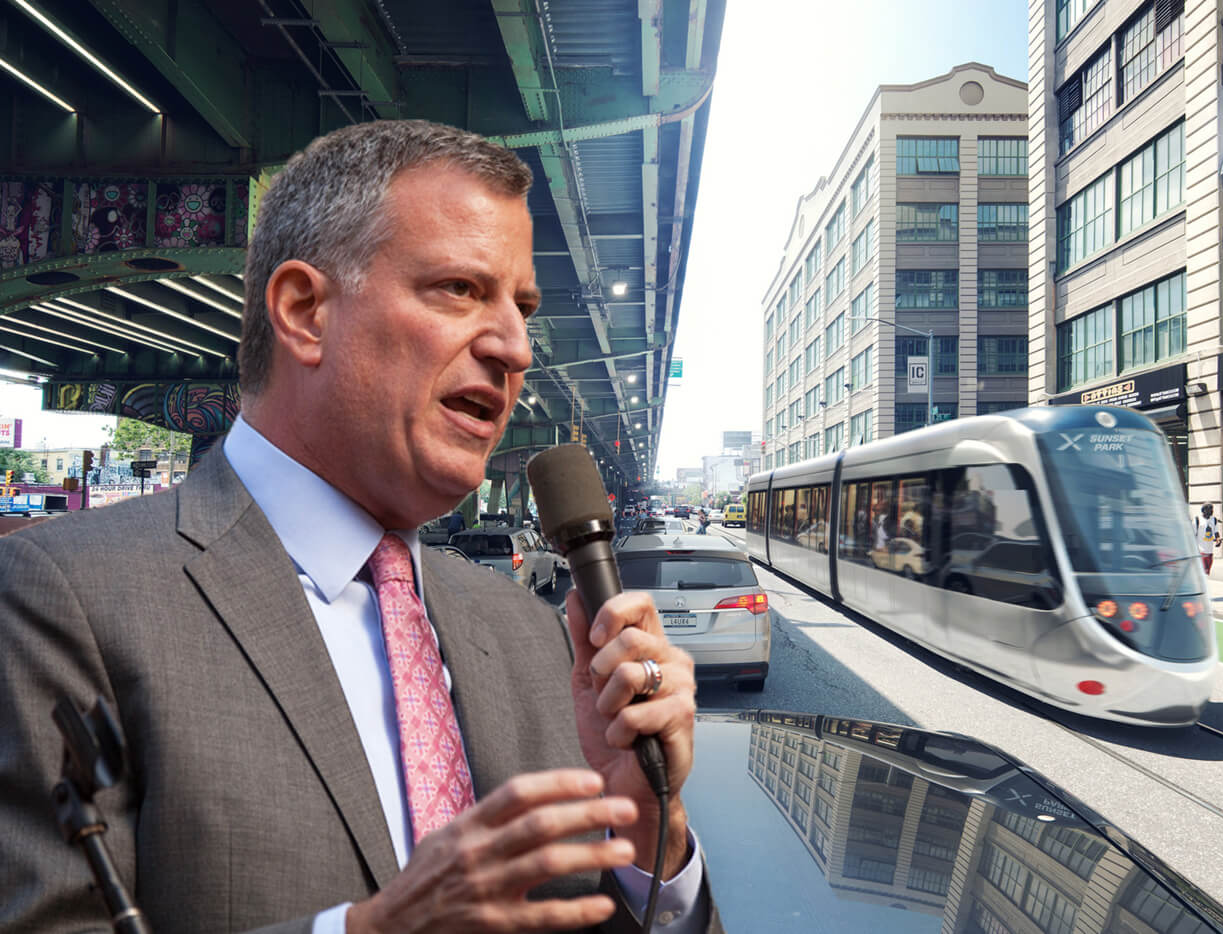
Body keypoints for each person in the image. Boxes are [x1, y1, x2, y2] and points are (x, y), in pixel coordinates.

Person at [0, 121, 716, 933]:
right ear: (304, 311)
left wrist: (651, 837)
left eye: (521, 308)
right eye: (459, 289)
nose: (517, 348)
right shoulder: (68, 599)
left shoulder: (530, 637)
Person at [1194, 503, 1222, 575]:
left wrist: (1218, 540)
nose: (1212, 511)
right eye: (1209, 510)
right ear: (1204, 511)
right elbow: (1193, 534)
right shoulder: (1197, 520)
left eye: (1212, 509)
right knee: (1202, 573)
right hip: (1200, 551)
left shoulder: (1214, 520)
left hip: (1209, 551)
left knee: (1207, 572)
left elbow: (1216, 532)